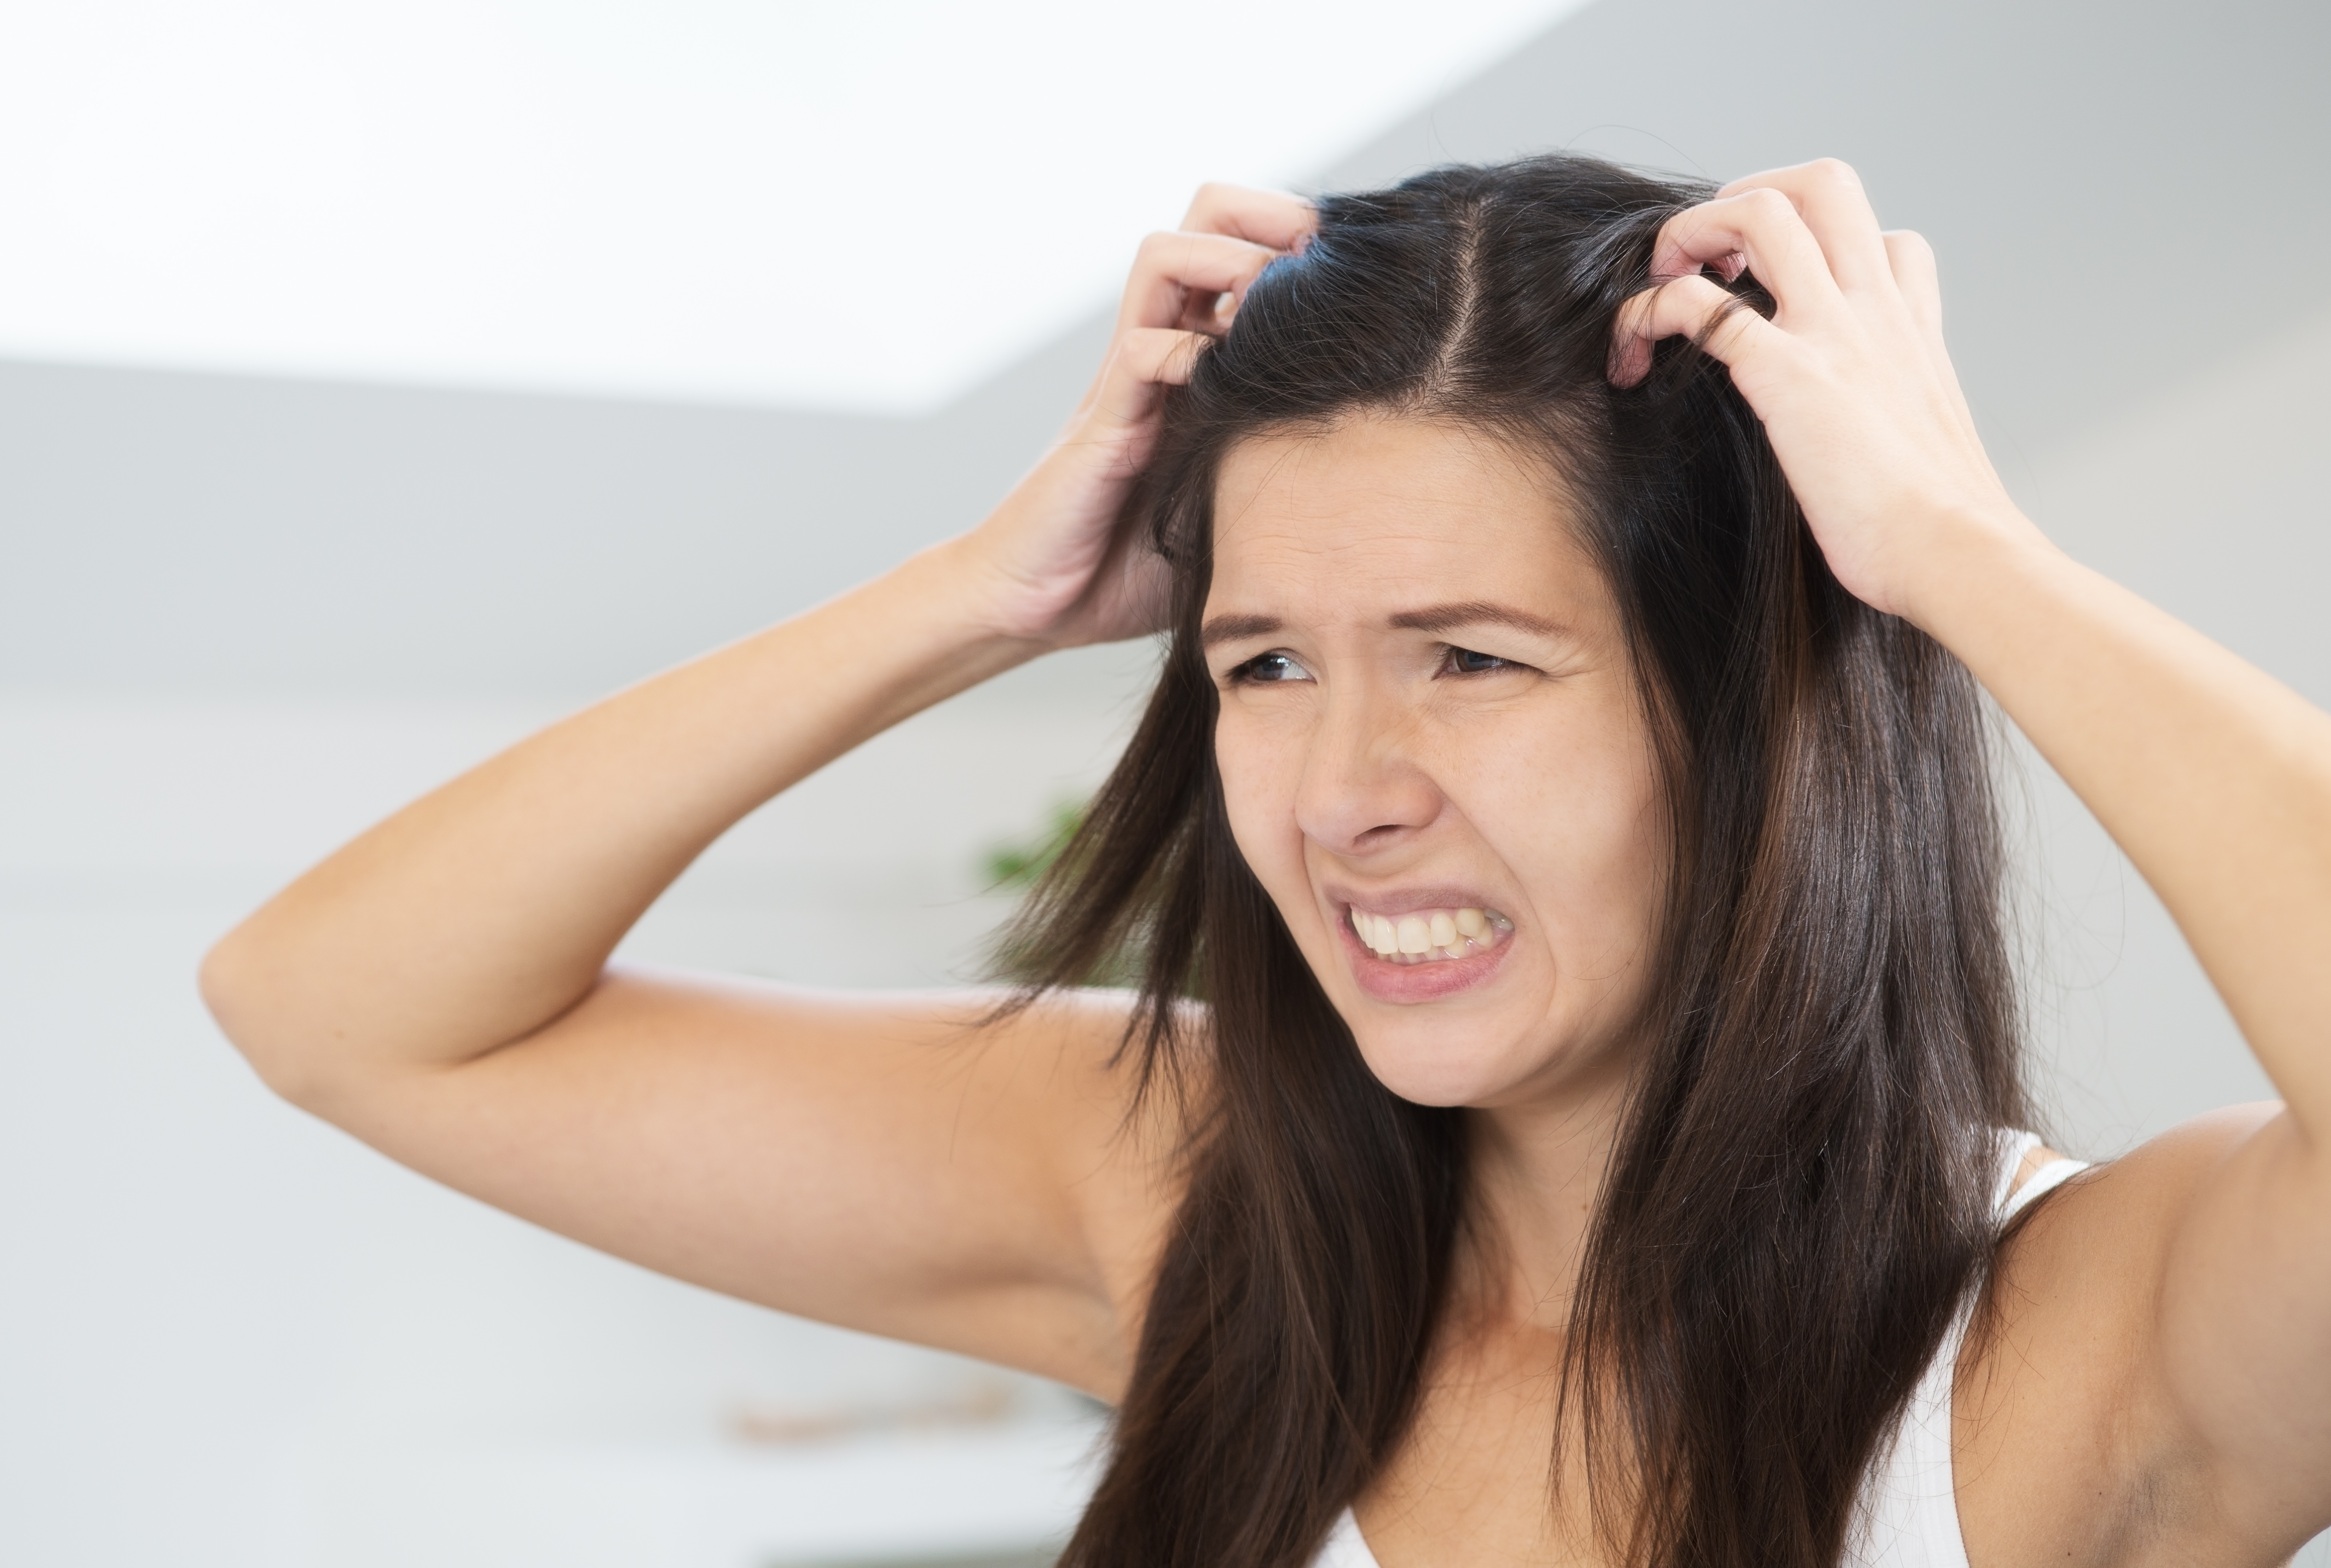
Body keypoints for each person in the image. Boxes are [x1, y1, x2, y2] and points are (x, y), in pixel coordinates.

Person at [197, 154, 2331, 1568]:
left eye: (1472, 658)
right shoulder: (1179, 1199)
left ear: (1753, 712)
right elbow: (336, 1007)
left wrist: (1957, 558)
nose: (1340, 789)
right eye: (1266, 661)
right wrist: (974, 592)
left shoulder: (2076, 1339)